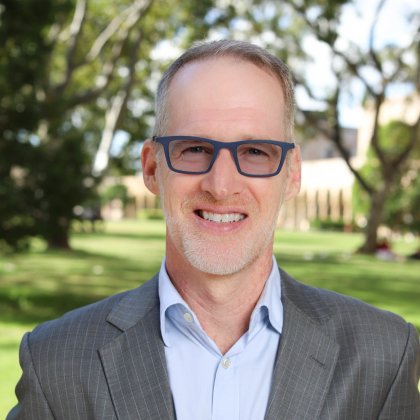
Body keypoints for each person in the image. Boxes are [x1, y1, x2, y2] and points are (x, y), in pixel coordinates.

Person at [8, 40, 420, 420]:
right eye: (195, 149)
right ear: (152, 167)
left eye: (255, 152)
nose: (221, 185)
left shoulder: (382, 356)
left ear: (292, 174)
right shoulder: (56, 361)